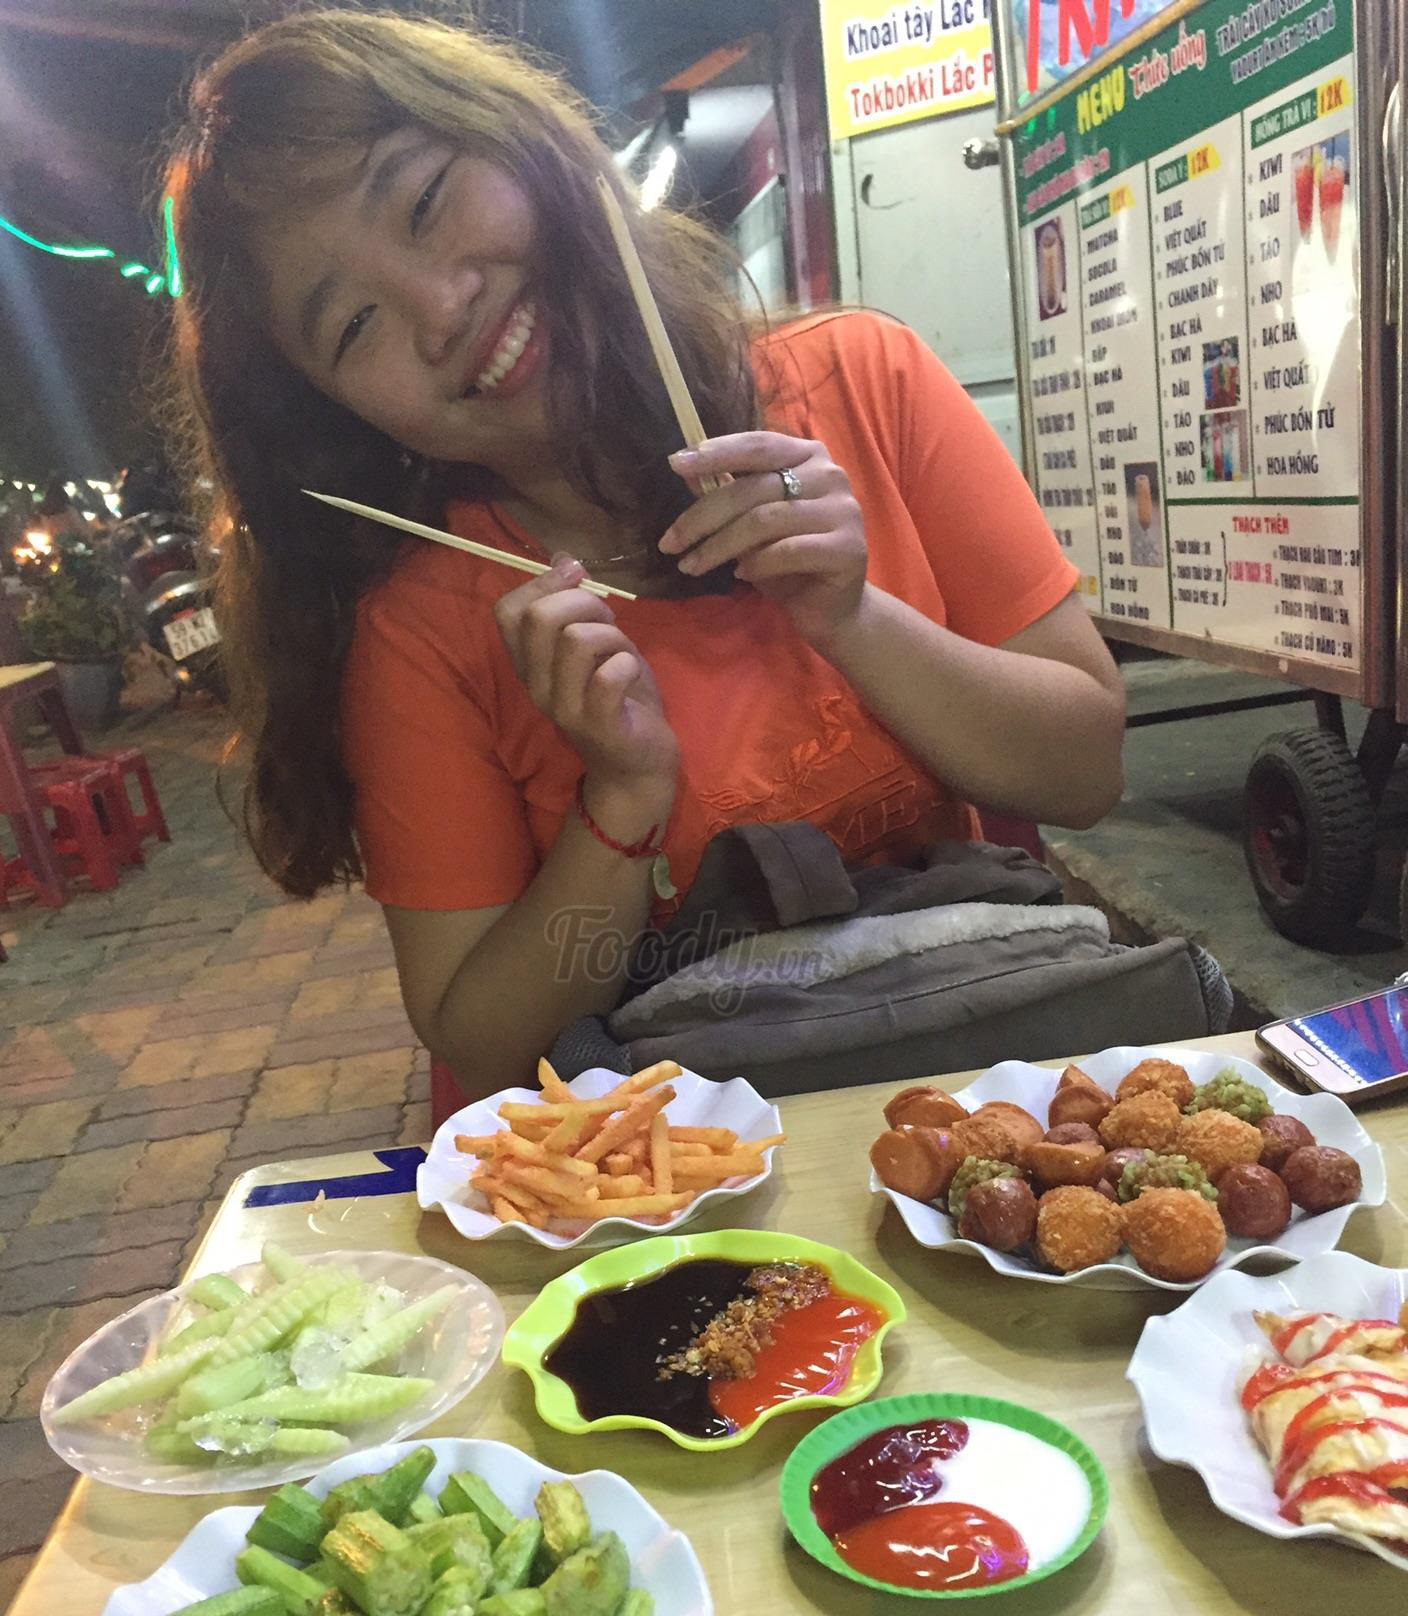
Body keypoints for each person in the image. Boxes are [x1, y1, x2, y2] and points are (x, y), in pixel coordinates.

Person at [163, 10, 1124, 1099]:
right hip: (687, 1162)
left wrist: (854, 618)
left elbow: (1085, 773)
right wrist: (619, 802)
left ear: (517, 138)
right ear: (332, 414)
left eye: (425, 202)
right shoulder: (425, 626)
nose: (441, 310)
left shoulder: (864, 381)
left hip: (987, 1097)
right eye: (352, 327)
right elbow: (478, 1044)